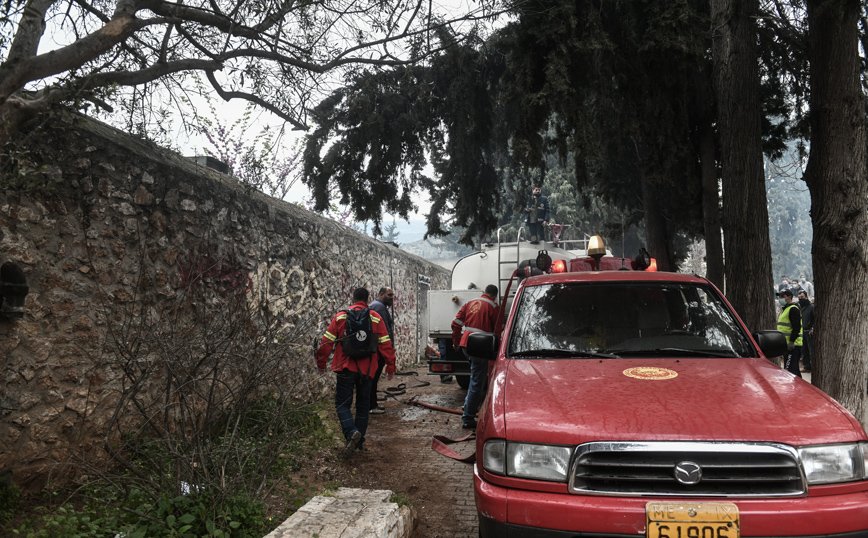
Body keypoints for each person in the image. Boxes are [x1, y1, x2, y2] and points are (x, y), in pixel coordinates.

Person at [316, 287, 396, 454]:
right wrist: (390, 366)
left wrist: (321, 363)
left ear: (352, 299)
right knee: (363, 405)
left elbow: (326, 341)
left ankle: (351, 432)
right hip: (368, 370)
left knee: (342, 404)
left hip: (346, 367)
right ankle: (358, 445)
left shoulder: (341, 316)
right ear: (367, 300)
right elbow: (386, 344)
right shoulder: (375, 317)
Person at [452, 284, 499, 429]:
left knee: (475, 378)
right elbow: (498, 329)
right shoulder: (493, 306)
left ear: (484, 292)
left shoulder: (470, 303)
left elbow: (456, 324)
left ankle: (468, 406)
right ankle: (468, 418)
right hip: (480, 347)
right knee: (477, 383)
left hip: (466, 344)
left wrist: (456, 342)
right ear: (494, 296)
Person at [368, 287, 395, 414]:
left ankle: (371, 403)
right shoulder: (379, 308)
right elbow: (384, 332)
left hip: (377, 350)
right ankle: (371, 405)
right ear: (381, 294)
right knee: (373, 378)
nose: (391, 297)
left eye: (392, 295)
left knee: (373, 378)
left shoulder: (377, 306)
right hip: (379, 351)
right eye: (389, 295)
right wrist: (388, 350)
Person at [777, 288, 803, 378]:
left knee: (790, 371)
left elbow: (797, 327)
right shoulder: (785, 309)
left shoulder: (793, 309)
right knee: (792, 370)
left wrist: (792, 341)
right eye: (779, 296)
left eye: (783, 296)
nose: (780, 298)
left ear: (789, 297)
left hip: (793, 345)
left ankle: (798, 389)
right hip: (787, 344)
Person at [798, 290, 814, 373]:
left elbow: (815, 319)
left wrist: (813, 328)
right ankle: (806, 366)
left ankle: (813, 367)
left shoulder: (811, 307)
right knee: (804, 350)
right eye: (799, 297)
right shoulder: (800, 307)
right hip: (802, 331)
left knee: (811, 350)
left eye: (802, 297)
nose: (801, 299)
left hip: (809, 331)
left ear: (806, 297)